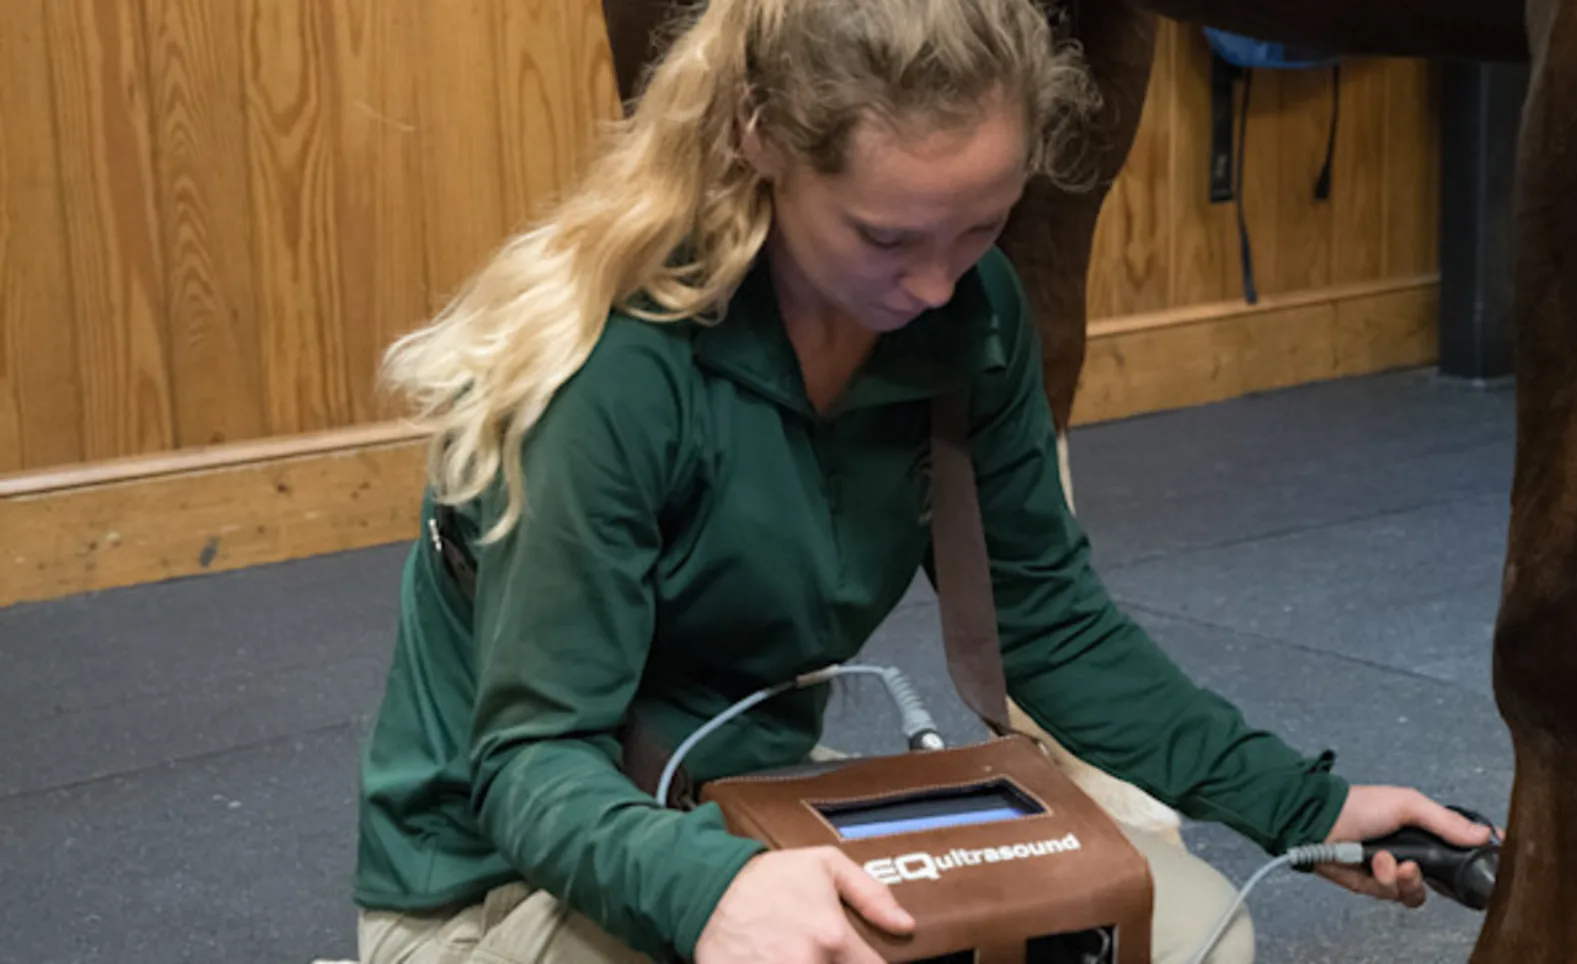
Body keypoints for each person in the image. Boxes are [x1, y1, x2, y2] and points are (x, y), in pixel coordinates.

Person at [350, 0, 1494, 961]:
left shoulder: (970, 314)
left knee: (1186, 931)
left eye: (979, 229)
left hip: (750, 801)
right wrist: (715, 891)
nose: (941, 287)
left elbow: (1051, 628)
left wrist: (1305, 804)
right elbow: (530, 766)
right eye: (888, 239)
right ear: (762, 142)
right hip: (496, 883)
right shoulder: (614, 365)